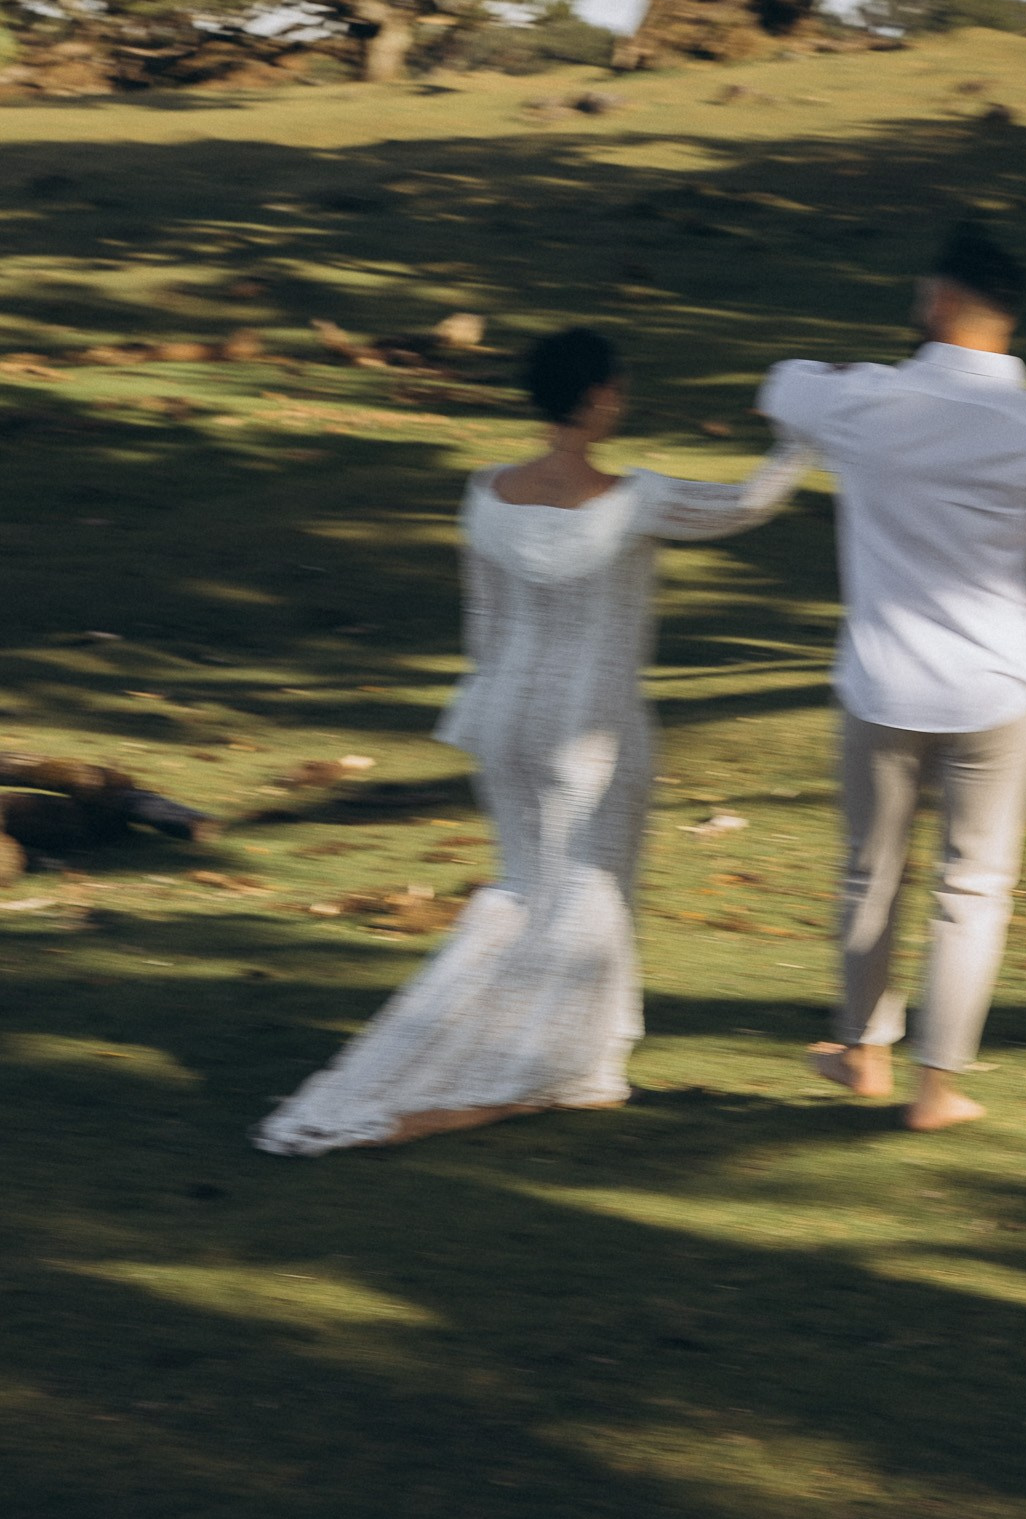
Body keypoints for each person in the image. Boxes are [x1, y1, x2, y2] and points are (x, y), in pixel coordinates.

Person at [254, 327, 806, 1156]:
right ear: (593, 400)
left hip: (505, 718)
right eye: (616, 388)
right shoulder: (636, 498)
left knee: (527, 888)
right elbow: (748, 505)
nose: (622, 399)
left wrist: (485, 709)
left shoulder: (484, 494)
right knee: (583, 893)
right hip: (591, 731)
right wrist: (803, 439)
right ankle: (525, 1071)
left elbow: (485, 623)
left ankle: (572, 1061)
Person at [761, 223, 1026, 1133]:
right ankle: (937, 1088)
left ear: (935, 301)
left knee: (871, 874)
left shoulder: (864, 405)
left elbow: (781, 385)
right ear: (1010, 319)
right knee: (975, 887)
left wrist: (849, 385)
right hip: (998, 687)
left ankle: (862, 1051)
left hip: (884, 682)